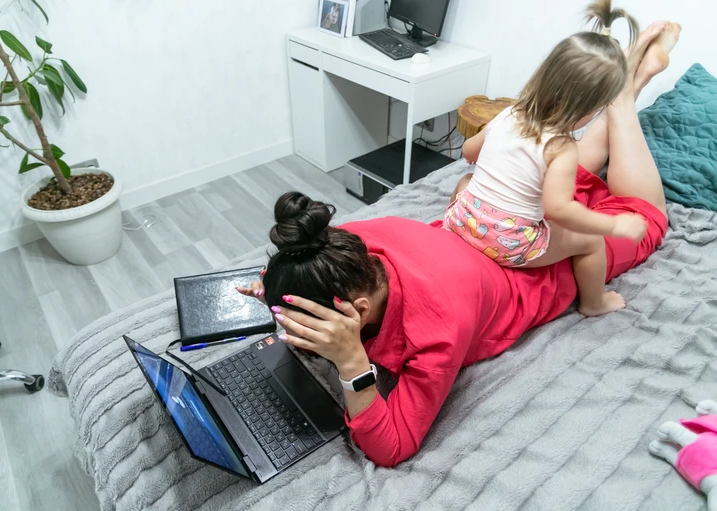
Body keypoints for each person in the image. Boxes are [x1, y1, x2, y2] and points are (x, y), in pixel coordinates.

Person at [236, 20, 679, 467]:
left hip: (526, 271)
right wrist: (275, 283)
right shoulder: (356, 243)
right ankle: (624, 84)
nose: (296, 336)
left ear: (360, 310)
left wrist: (353, 366)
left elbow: (392, 447)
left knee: (644, 216)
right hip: (507, 227)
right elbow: (312, 251)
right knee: (570, 166)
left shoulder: (436, 329)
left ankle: (623, 94)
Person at [444, 0, 680, 317]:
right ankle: (594, 303)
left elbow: (468, 152)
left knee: (466, 181)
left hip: (461, 222)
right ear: (589, 109)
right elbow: (560, 210)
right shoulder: (561, 147)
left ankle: (631, 77)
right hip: (508, 245)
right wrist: (614, 224)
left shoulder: (509, 113)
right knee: (591, 240)